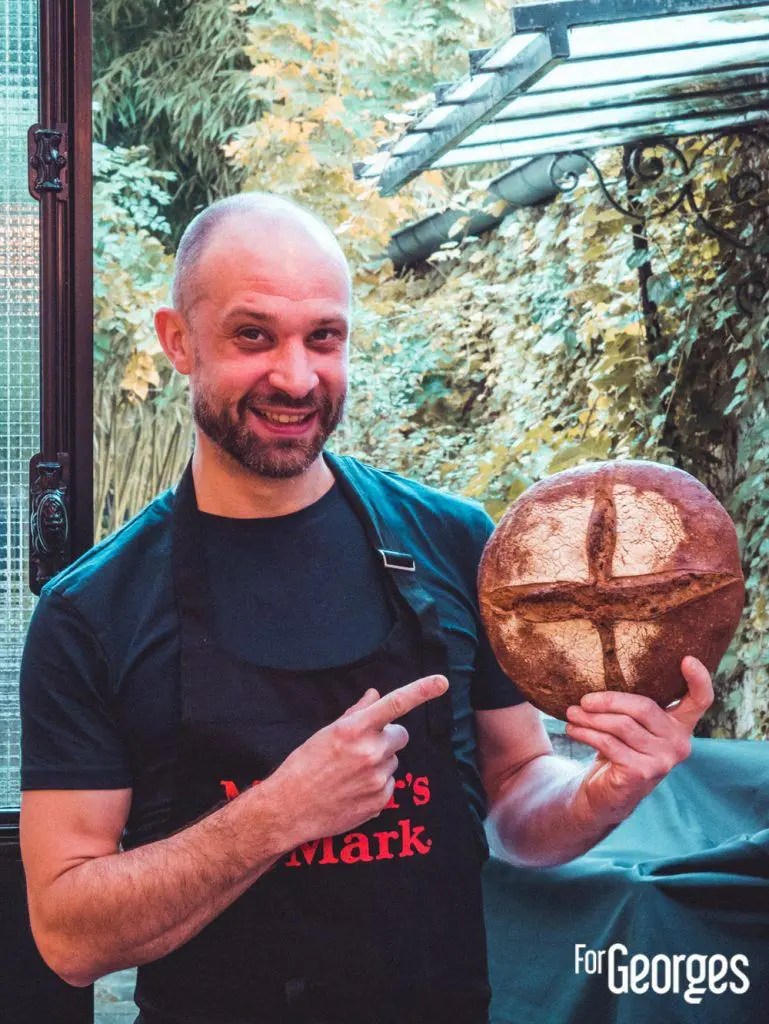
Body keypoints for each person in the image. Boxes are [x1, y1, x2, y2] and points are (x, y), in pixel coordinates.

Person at [19, 193, 713, 1024]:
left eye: (323, 337)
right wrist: (275, 816)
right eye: (253, 336)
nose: (296, 376)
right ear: (178, 341)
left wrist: (602, 792)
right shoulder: (92, 612)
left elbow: (515, 792)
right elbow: (69, 937)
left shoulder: (455, 542)